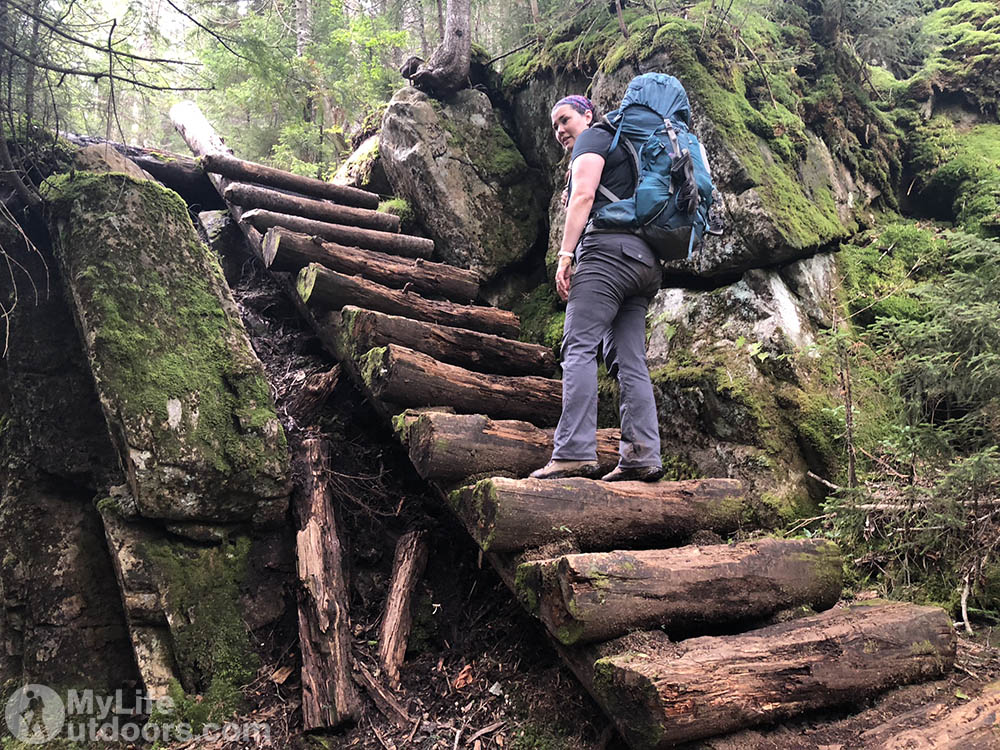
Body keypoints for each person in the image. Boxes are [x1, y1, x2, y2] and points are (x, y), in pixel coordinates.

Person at [531, 95, 664, 482]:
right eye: (554, 125)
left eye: (565, 119)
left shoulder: (594, 138)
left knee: (579, 347)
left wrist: (565, 254)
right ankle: (642, 456)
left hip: (607, 256)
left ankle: (573, 452)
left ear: (587, 115)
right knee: (630, 360)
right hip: (644, 264)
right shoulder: (628, 148)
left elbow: (585, 197)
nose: (559, 130)